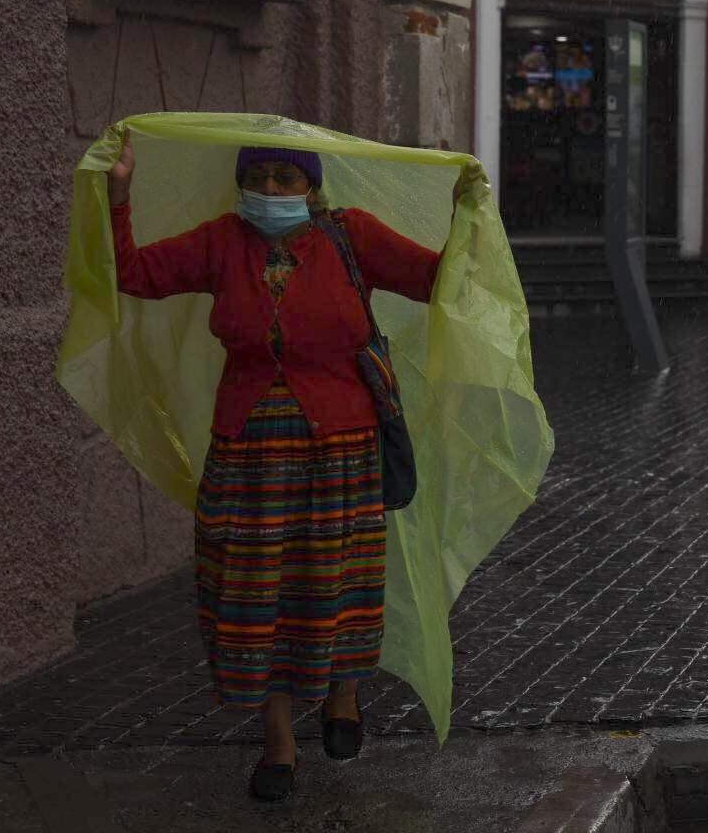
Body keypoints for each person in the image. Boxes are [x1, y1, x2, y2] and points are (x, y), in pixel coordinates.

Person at [106, 137, 477, 803]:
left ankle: (343, 695)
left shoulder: (350, 236)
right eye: (260, 177)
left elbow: (436, 281)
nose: (273, 190)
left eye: (286, 177)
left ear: (312, 185)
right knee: (254, 596)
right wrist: (119, 195)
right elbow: (133, 273)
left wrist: (466, 216)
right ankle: (278, 741)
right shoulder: (223, 241)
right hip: (250, 453)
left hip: (341, 446)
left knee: (334, 579)